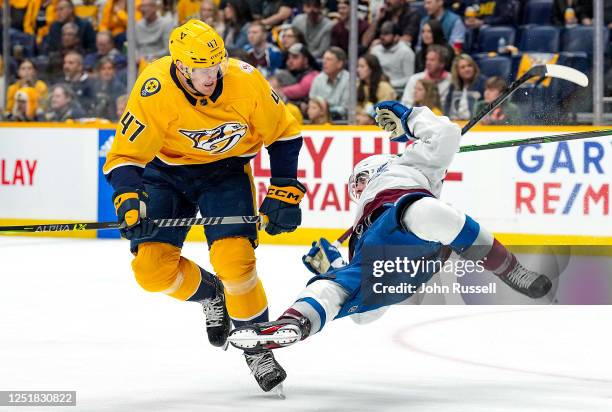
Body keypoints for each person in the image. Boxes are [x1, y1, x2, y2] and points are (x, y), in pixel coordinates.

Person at [227, 101, 553, 352]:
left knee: (427, 213)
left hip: (408, 226)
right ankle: (292, 323)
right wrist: (333, 262)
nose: (356, 190)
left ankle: (510, 269)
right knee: (333, 287)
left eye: (356, 182)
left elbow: (446, 134)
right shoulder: (362, 219)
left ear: (371, 169)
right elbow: (364, 316)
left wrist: (406, 116)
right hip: (401, 265)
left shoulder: (404, 165)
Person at [102, 20, 304, 393]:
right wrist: (129, 198)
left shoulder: (245, 80)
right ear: (180, 67)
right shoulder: (154, 87)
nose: (211, 76)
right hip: (167, 175)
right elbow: (125, 157)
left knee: (236, 262)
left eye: (215, 66)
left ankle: (257, 346)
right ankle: (211, 294)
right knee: (151, 271)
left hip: (225, 173)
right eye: (200, 70)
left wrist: (284, 188)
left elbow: (285, 133)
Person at [370, 21, 415, 96]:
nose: (382, 37)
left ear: (396, 37)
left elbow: (409, 78)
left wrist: (389, 83)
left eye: (386, 34)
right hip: (376, 88)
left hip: (397, 92)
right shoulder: (375, 50)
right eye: (381, 33)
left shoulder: (406, 52)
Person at [308, 47, 349, 120]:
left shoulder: (349, 80)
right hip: (318, 122)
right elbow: (312, 103)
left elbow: (345, 109)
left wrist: (324, 110)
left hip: (340, 123)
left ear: (339, 64)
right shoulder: (318, 79)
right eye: (324, 59)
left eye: (329, 59)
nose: (324, 62)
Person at [356, 54, 396, 125]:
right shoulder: (357, 86)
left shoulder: (385, 87)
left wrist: (369, 117)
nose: (358, 70)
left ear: (372, 69)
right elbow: (355, 108)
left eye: (362, 66)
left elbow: (385, 109)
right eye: (358, 66)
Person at [444, 54, 486, 120]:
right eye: (462, 67)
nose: (467, 69)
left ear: (474, 67)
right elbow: (447, 104)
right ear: (457, 71)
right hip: (456, 122)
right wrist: (447, 119)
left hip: (475, 123)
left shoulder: (483, 83)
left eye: (469, 66)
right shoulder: (454, 85)